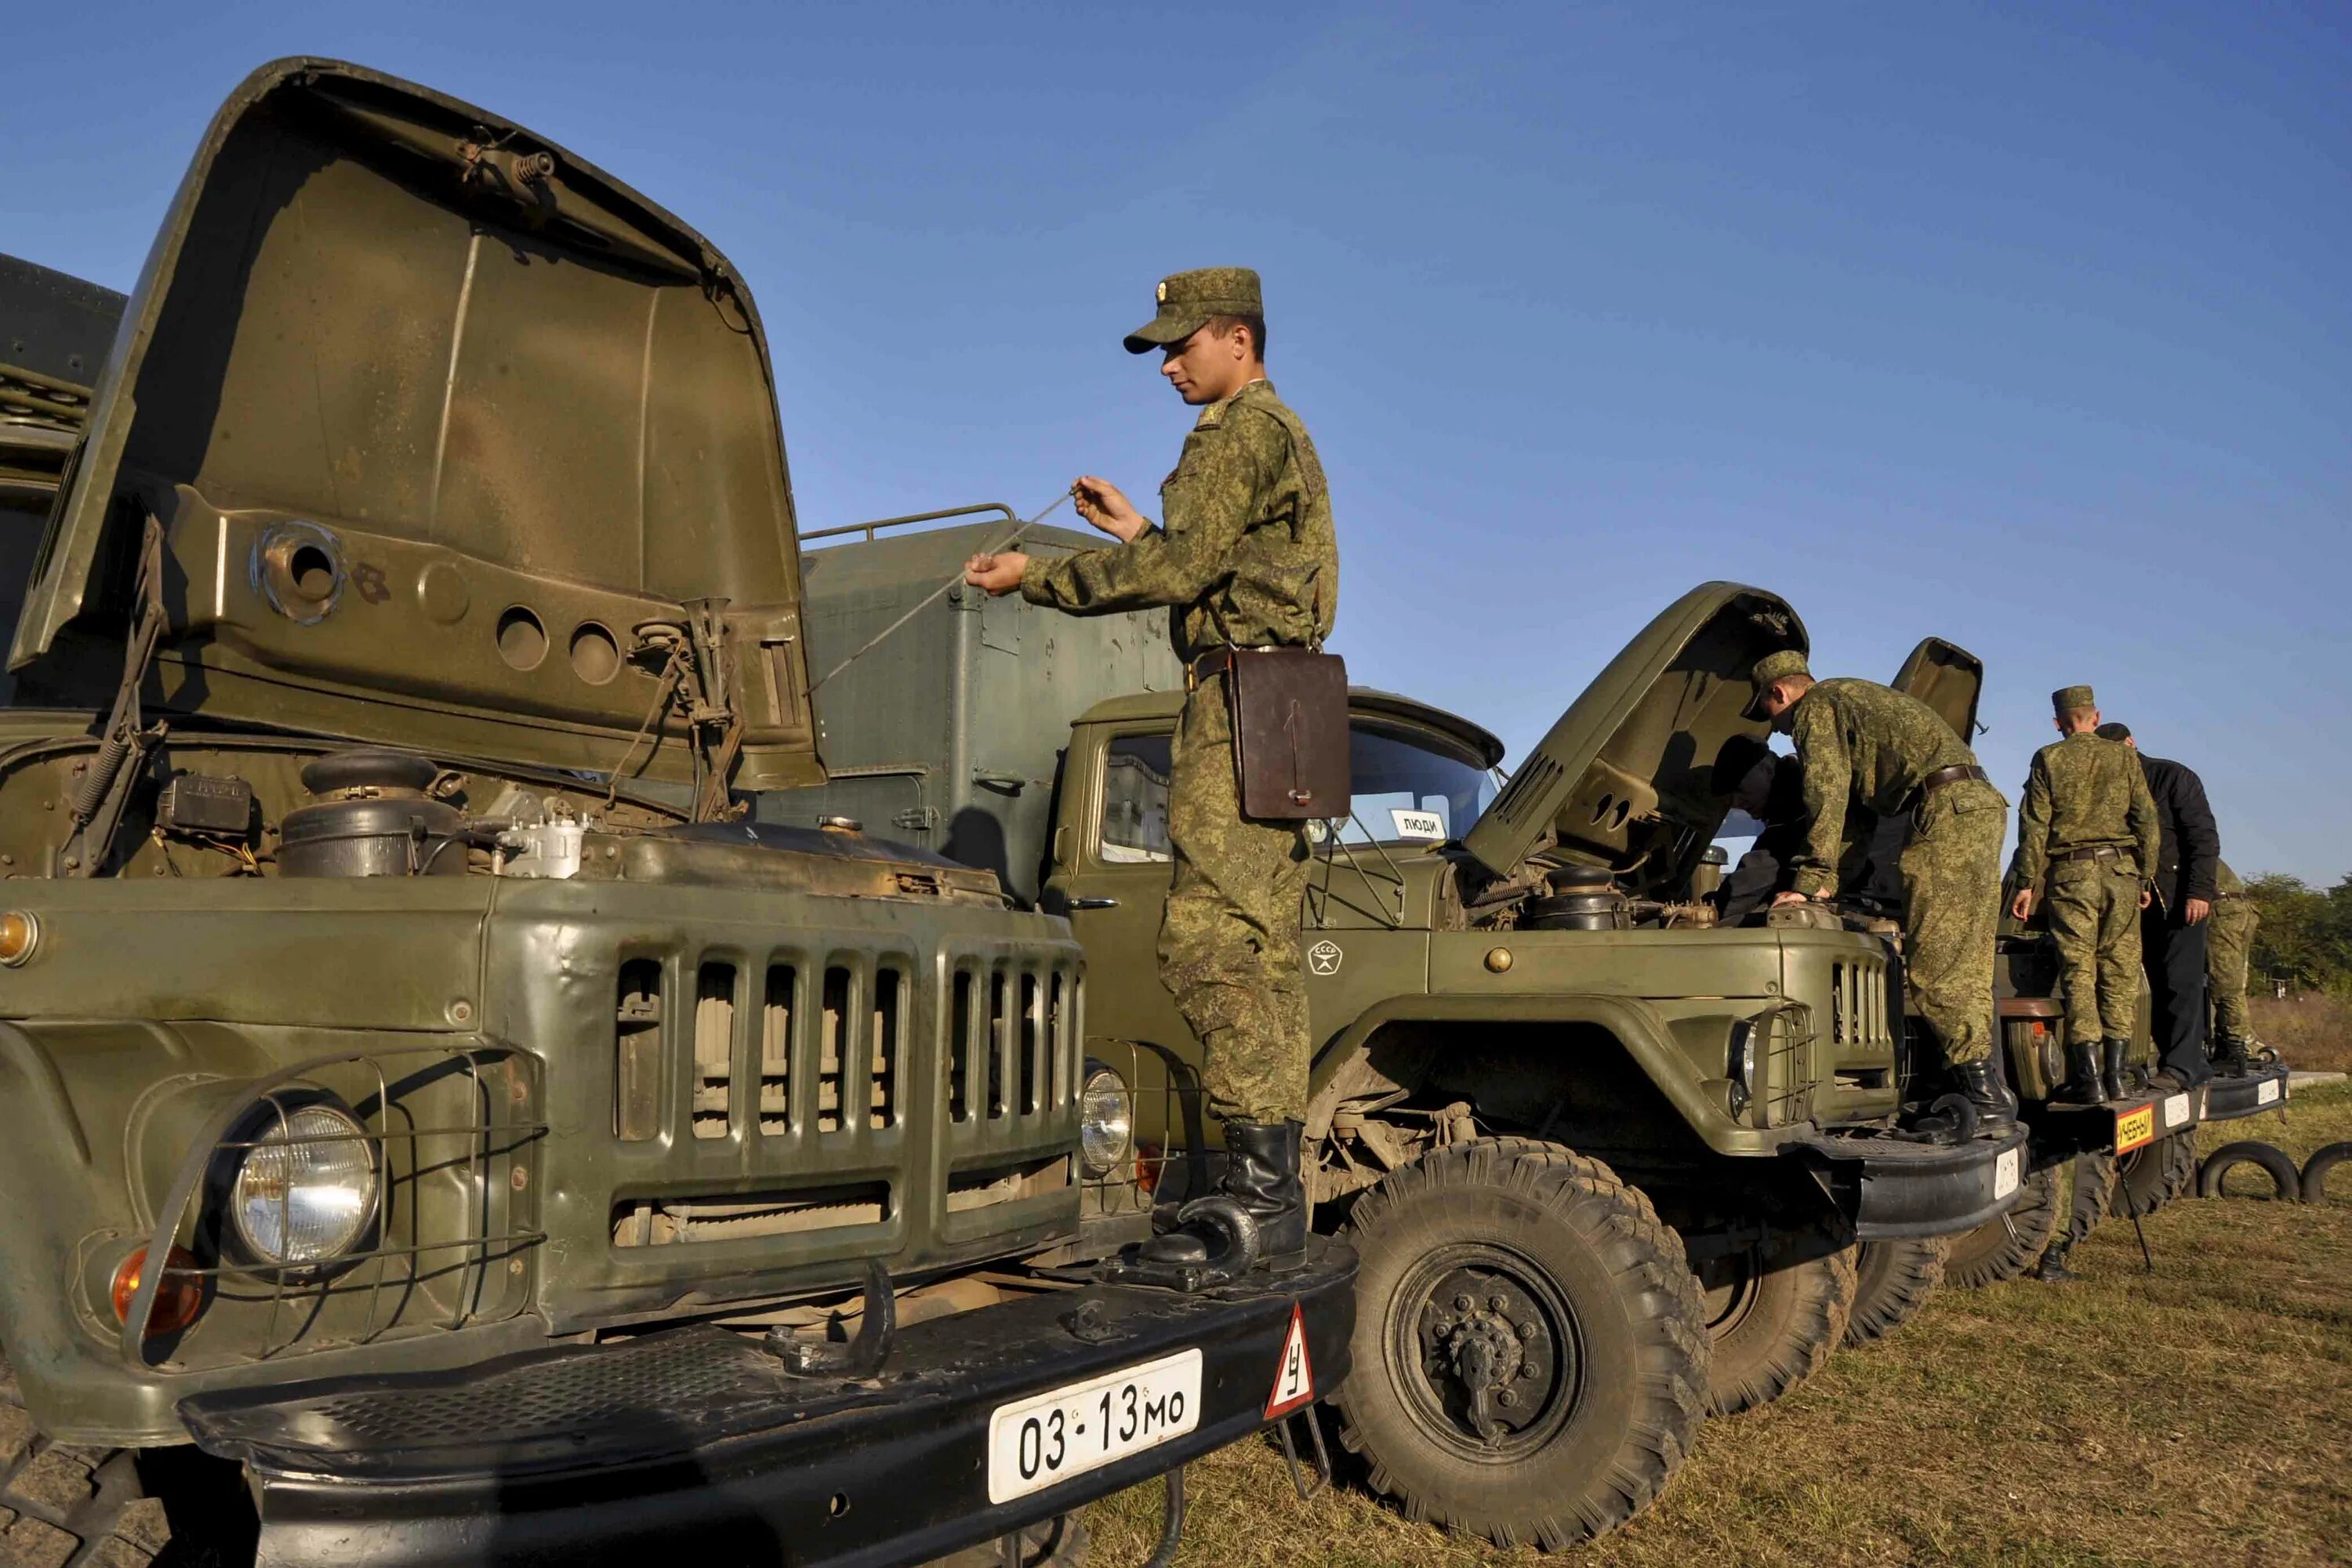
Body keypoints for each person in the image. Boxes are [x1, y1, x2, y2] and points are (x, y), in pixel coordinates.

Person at [965, 267, 1336, 1276]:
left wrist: (1034, 576)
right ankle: (1274, 1190)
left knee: (1209, 938)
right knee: (1262, 945)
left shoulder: (1232, 432)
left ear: (1238, 341)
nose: (1168, 364)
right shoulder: (1281, 431)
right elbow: (1217, 562)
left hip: (1236, 703)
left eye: (1181, 345)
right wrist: (1135, 527)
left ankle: (1256, 1196)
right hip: (1287, 701)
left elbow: (1180, 577)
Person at [1747, 650, 2015, 1131]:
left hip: (1945, 813)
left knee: (1937, 969)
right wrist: (1833, 883)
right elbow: (1858, 819)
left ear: (1780, 693)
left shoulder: (1816, 708)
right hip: (1975, 805)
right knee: (1967, 964)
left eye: (1769, 713)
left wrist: (1810, 883)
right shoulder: (1855, 697)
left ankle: (1984, 1102)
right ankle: (1991, 1097)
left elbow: (1825, 795)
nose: (1777, 729)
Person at [2005, 686, 2159, 1105]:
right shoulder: (2125, 756)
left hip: (2071, 875)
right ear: (2096, 717)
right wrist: (2144, 876)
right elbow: (2146, 819)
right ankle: (2118, 1075)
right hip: (2122, 872)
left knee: (2078, 972)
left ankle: (2089, 1079)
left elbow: (2034, 826)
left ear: (2058, 723)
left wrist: (2025, 883)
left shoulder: (2048, 758)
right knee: (2121, 972)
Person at [2094, 722, 2220, 1087]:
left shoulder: (2172, 777)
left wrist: (2199, 891)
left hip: (2180, 895)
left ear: (2131, 743)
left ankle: (2182, 1067)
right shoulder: (2110, 789)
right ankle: (2179, 1063)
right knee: (2157, 985)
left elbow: (2203, 838)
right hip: (2138, 901)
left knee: (2182, 983)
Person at [2205, 858, 2260, 1076]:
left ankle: (2235, 1050)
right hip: (2237, 907)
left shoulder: (2170, 840)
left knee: (2226, 985)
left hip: (2223, 909)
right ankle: (2230, 1047)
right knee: (2232, 982)